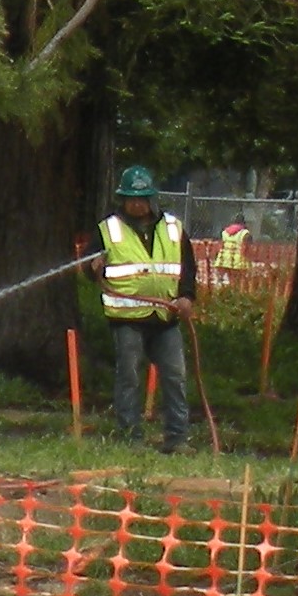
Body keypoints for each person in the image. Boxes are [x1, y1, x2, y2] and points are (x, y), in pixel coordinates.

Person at [92, 165, 196, 451]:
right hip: (126, 318)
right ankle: (130, 438)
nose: (136, 204)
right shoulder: (108, 229)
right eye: (131, 199)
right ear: (122, 200)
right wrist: (93, 269)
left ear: (152, 198)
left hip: (166, 317)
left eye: (142, 198)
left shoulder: (173, 228)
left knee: (175, 377)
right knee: (129, 376)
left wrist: (186, 296)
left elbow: (187, 266)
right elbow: (91, 268)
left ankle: (177, 438)